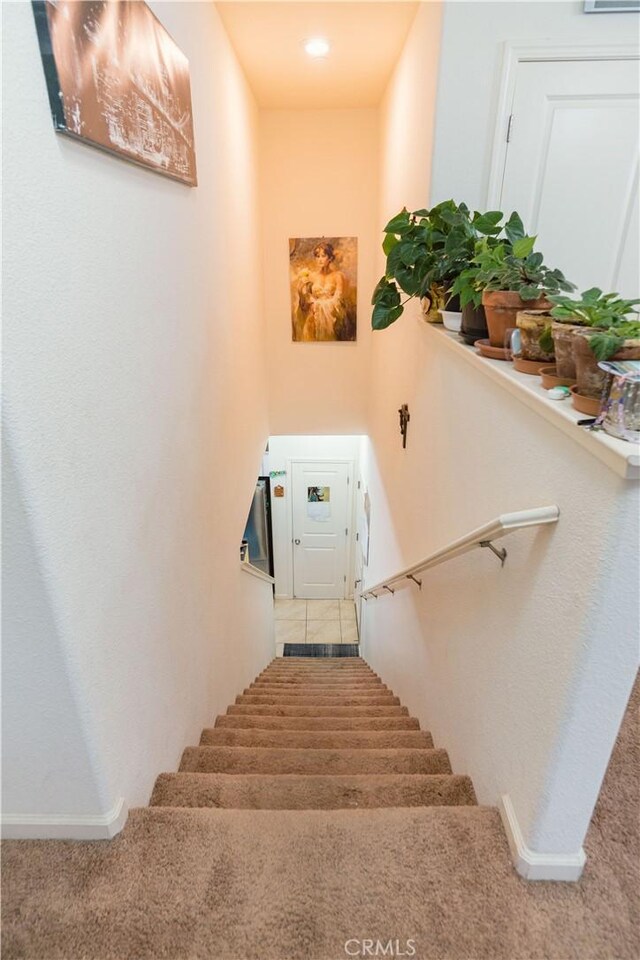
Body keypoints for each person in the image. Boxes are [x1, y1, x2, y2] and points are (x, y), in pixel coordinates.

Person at [294, 242, 349, 341]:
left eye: (323, 256)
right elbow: (306, 299)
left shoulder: (337, 276)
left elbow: (338, 298)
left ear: (330, 258)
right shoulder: (312, 276)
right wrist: (301, 289)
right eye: (317, 256)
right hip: (313, 315)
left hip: (331, 316)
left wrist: (320, 306)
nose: (320, 259)